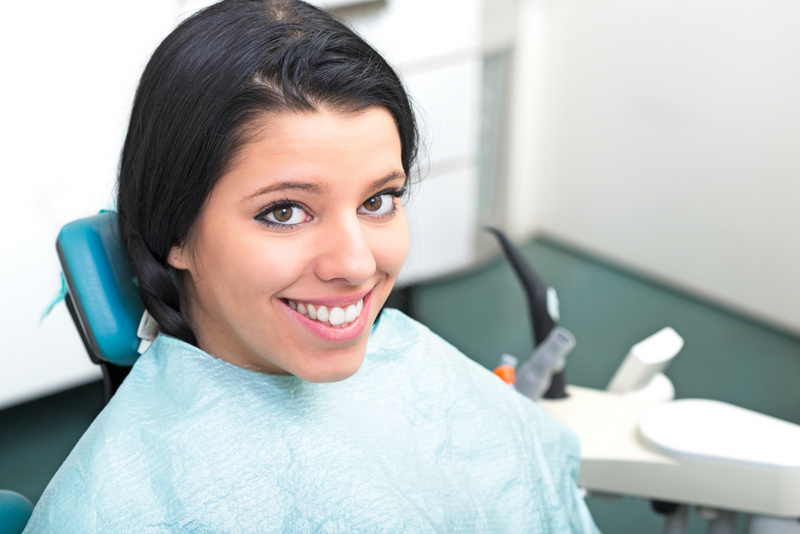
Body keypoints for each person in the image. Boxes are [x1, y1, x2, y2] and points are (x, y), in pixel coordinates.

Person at [25, 0, 599, 531]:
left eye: (378, 201)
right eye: (284, 212)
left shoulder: (410, 360)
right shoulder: (124, 507)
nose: (355, 264)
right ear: (174, 230)